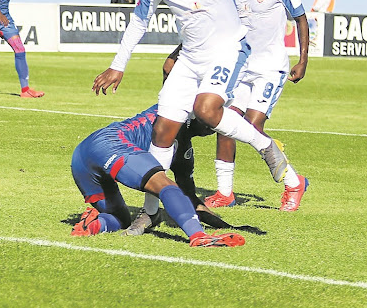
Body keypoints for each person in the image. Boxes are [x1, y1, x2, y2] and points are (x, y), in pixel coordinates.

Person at [92, 0, 292, 232]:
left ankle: (265, 146)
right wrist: (118, 65)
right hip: (190, 59)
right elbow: (138, 23)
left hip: (227, 51)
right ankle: (151, 211)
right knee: (162, 131)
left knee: (206, 110)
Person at [203, 0, 309, 211]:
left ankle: (293, 182)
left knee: (251, 127)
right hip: (241, 68)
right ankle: (225, 193)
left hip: (270, 68)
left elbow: (301, 19)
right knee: (224, 125)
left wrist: (303, 60)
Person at [71, 103, 245, 247]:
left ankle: (93, 225)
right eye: (212, 122)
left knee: (120, 218)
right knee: (166, 186)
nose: (212, 129)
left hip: (82, 156)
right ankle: (198, 236)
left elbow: (189, 198)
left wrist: (225, 225)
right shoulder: (173, 116)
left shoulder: (180, 135)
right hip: (112, 145)